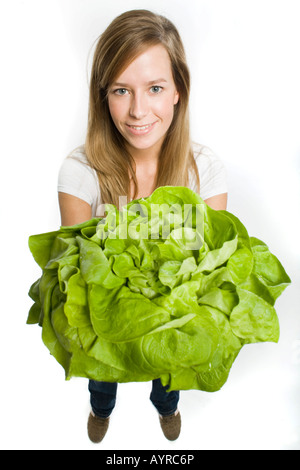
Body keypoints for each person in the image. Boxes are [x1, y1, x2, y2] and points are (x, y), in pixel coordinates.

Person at [58, 9, 228, 443]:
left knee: (168, 373)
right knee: (101, 374)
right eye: (121, 90)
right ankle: (101, 409)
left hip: (171, 323)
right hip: (107, 323)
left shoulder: (204, 170)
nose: (137, 111)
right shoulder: (81, 171)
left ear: (177, 91)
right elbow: (74, 282)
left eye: (154, 88)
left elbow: (213, 277)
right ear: (103, 96)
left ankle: (165, 408)